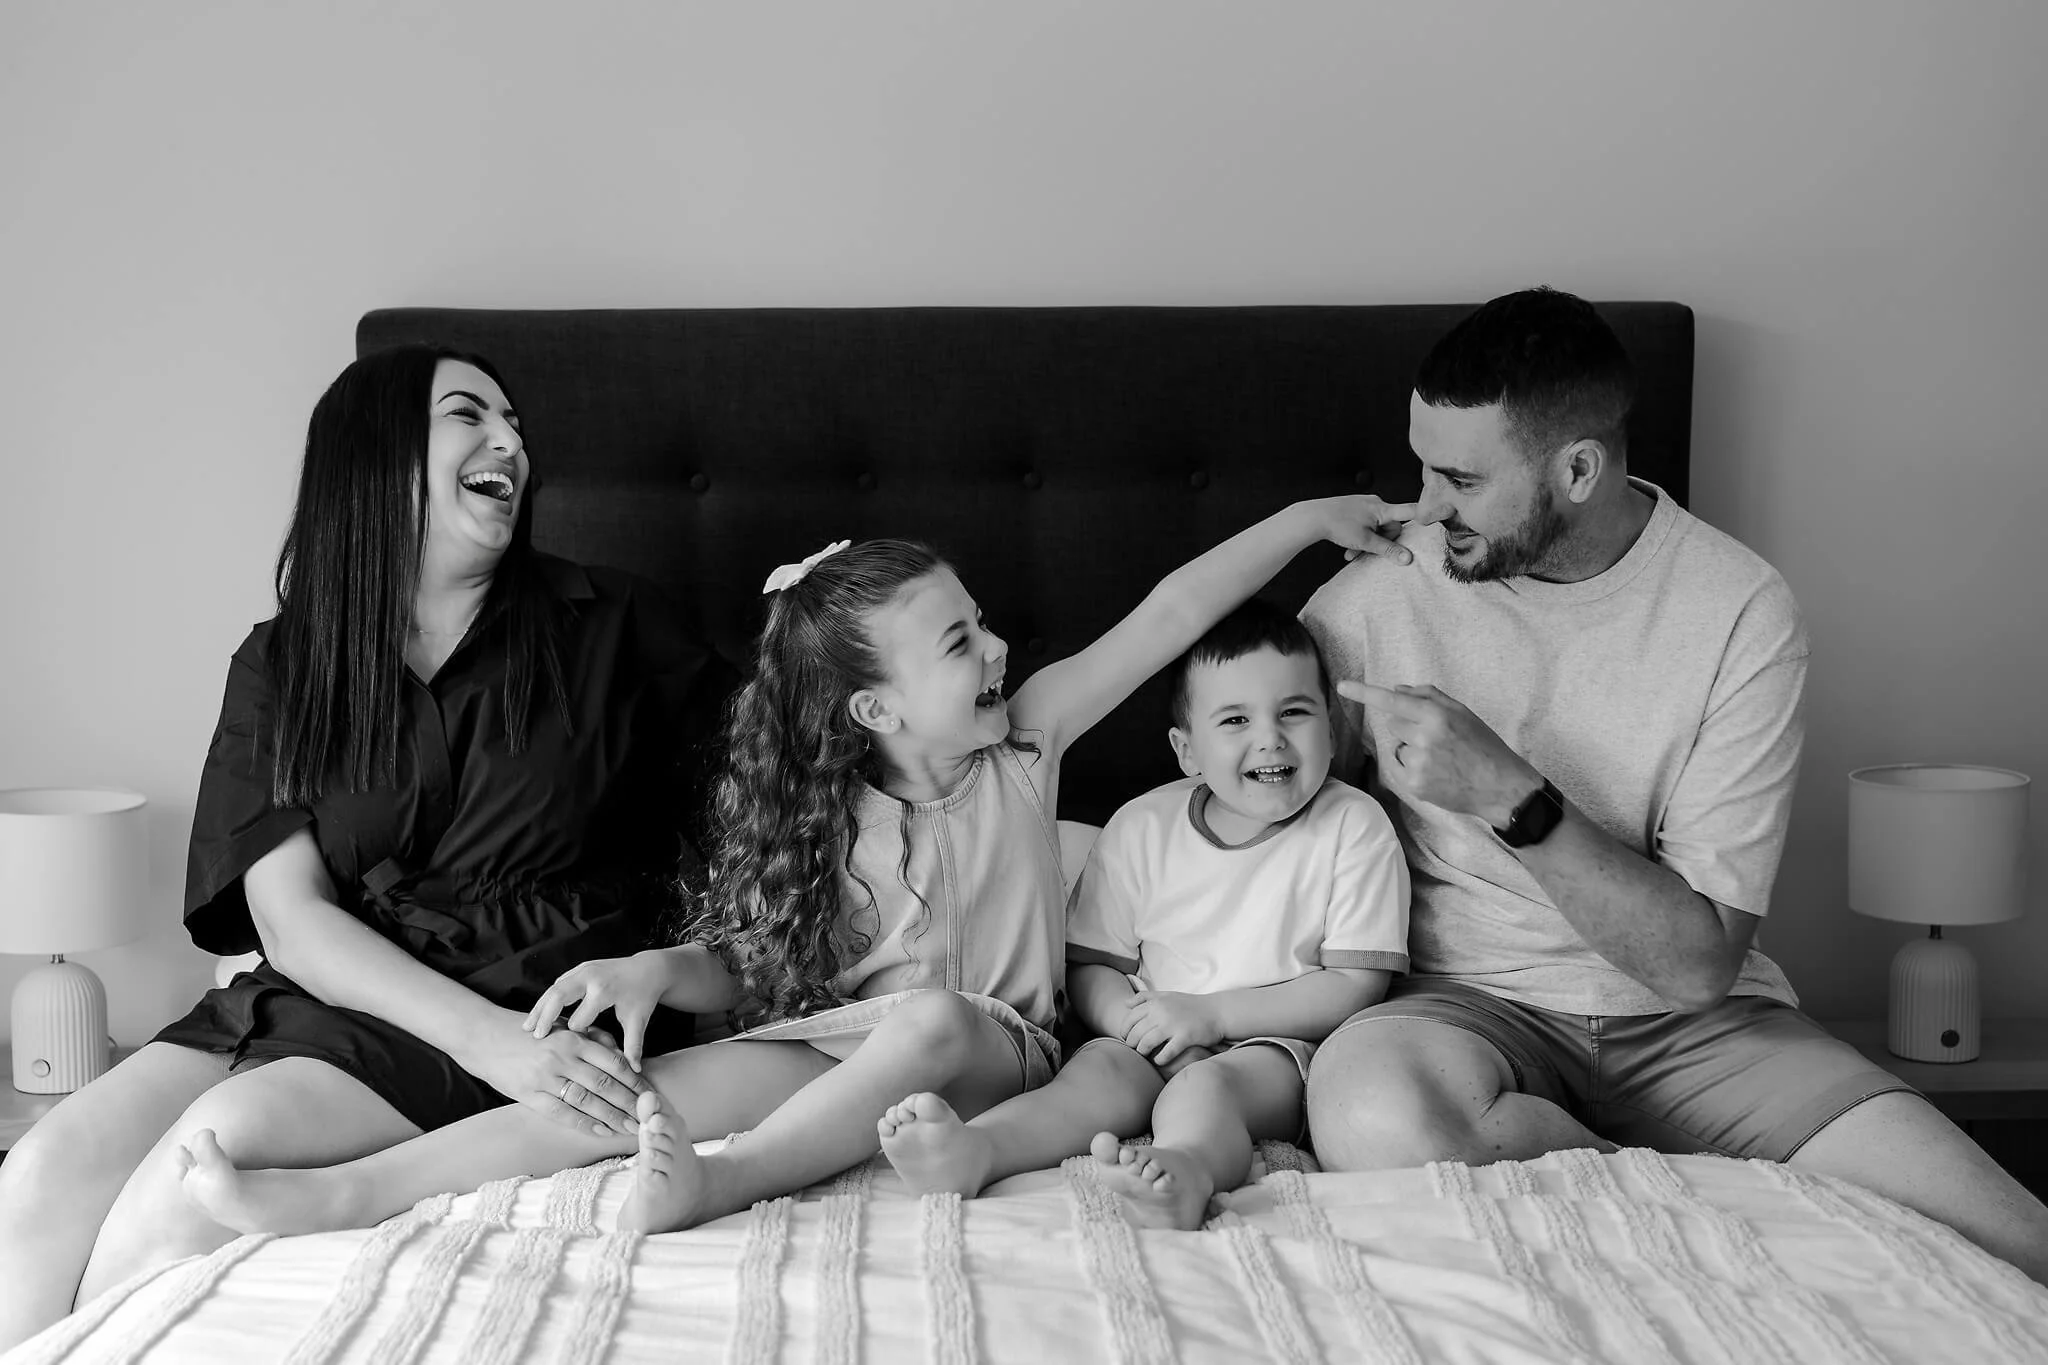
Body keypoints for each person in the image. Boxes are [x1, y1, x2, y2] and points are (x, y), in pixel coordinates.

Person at [174, 499, 1417, 1237]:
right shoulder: (834, 822)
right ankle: (354, 1196)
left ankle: (729, 1188)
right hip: (844, 1038)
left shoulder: (1027, 746)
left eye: (980, 623)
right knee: (617, 1095)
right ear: (873, 710)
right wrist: (658, 964)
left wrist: (1308, 524)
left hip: (1001, 1049)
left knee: (929, 1019)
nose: (994, 647)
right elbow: (765, 965)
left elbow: (1168, 610)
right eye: (957, 641)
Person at [1300, 286, 2048, 1285]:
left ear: (1575, 469)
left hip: (1702, 1028)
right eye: (1422, 466)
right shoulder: (1380, 592)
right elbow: (1231, 773)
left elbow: (1696, 965)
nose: (1425, 506)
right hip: (1466, 1012)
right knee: (1364, 1111)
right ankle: (1693, 1210)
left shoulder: (1737, 612)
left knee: (2013, 1242)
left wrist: (1506, 797)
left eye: (1459, 479)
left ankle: (1685, 1202)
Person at [0, 345, 732, 1350]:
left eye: (517, 424)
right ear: (377, 457)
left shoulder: (616, 626)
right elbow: (288, 918)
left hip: (526, 998)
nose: (510, 441)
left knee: (190, 1187)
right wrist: (478, 1043)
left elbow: (784, 803)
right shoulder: (286, 660)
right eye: (470, 415)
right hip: (334, 993)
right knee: (39, 1172)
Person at [874, 599, 1410, 1230]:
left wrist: (1210, 1016)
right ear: (1187, 751)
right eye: (1235, 720)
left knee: (1205, 1091)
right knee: (1092, 1077)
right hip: (1151, 1032)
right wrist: (1133, 1025)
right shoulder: (1143, 825)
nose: (1270, 737)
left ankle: (1186, 1170)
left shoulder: (1353, 825)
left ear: (1332, 728)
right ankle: (977, 1150)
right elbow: (1091, 966)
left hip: (1279, 1048)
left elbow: (1356, 986)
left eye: (1295, 712)